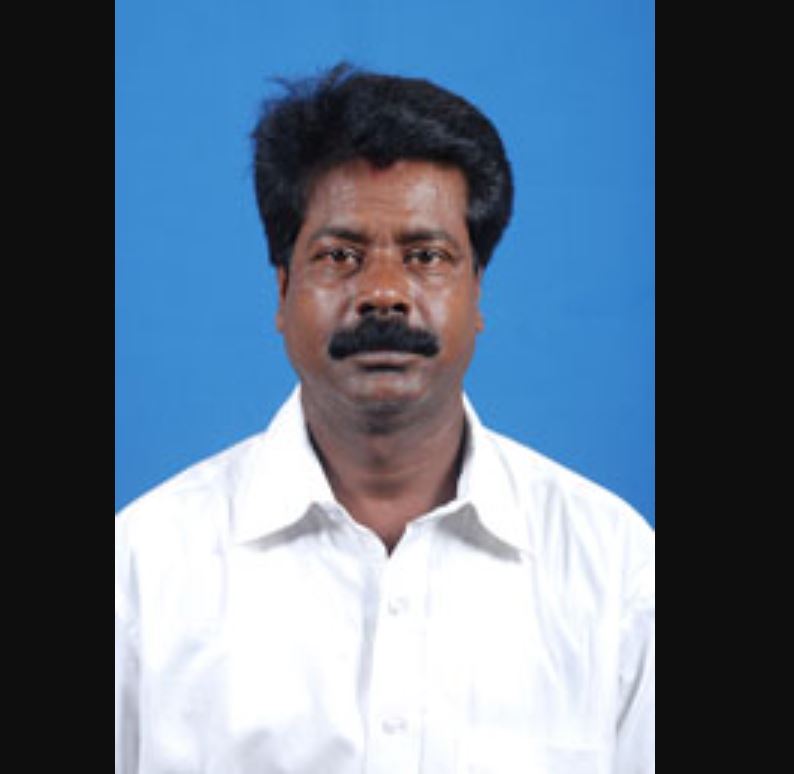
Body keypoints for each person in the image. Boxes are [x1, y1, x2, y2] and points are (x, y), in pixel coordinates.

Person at [115, 63, 654, 773]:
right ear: (282, 291)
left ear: (477, 291)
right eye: (340, 256)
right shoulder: (142, 570)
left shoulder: (615, 569)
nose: (384, 293)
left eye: (426, 256)